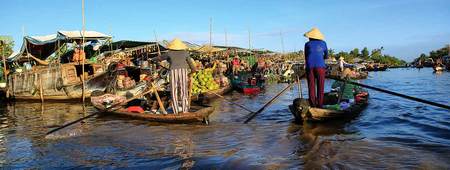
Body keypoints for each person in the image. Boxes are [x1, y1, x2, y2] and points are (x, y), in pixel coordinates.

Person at [159, 38, 197, 114]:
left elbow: (159, 58)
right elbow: (192, 66)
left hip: (173, 72)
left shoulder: (169, 53)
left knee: (174, 91)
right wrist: (191, 72)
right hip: (183, 72)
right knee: (184, 91)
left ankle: (176, 111)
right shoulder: (185, 53)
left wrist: (152, 59)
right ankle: (185, 111)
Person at [304, 28, 328, 108]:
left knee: (311, 86)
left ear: (310, 37)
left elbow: (306, 57)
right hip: (320, 67)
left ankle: (313, 105)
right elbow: (326, 56)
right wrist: (320, 58)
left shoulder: (307, 44)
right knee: (320, 86)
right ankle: (320, 105)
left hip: (309, 66)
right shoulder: (323, 43)